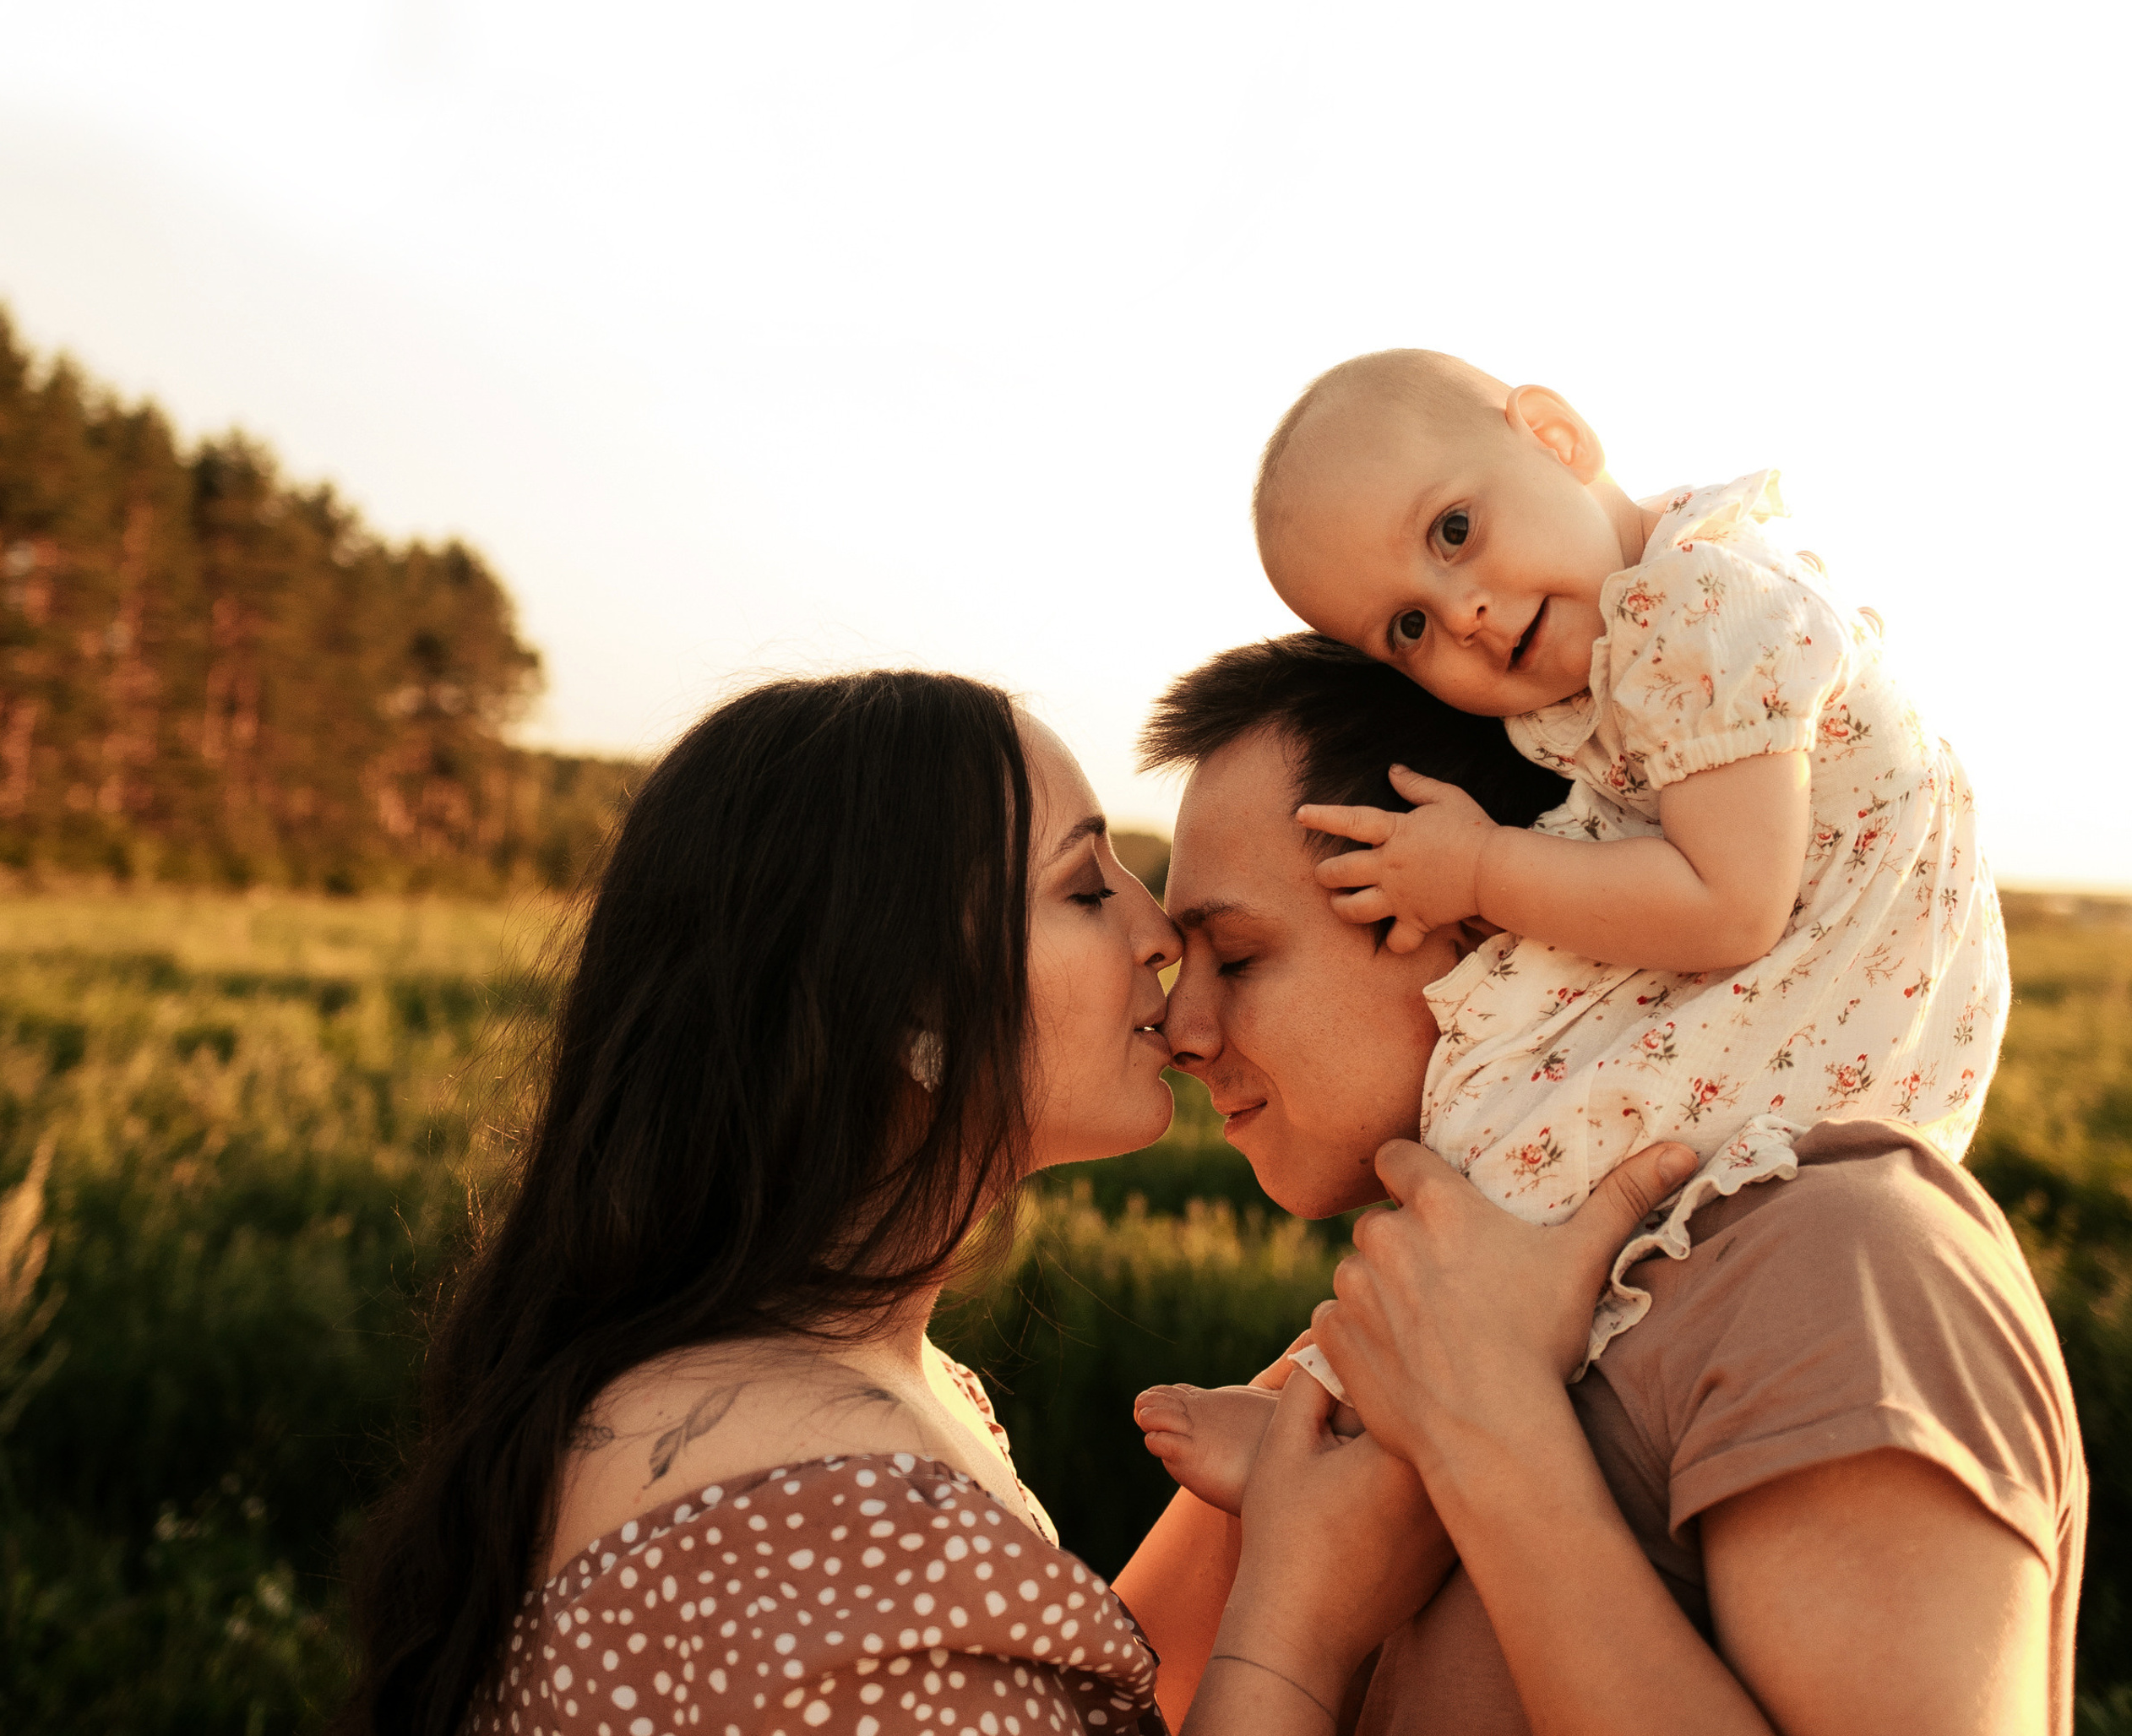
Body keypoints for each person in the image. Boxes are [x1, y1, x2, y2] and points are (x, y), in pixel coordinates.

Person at [335, 669, 1459, 1736]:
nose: (1157, 937)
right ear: (903, 1014)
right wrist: (1300, 1630)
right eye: (1081, 889)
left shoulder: (845, 1396)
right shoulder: (825, 1513)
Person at [1130, 635, 2082, 1735]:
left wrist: (1486, 1435)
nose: (1180, 1029)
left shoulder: (1837, 1268)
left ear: (1506, 921)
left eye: (1237, 957)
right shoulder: (1399, 1338)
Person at [1245, 347, 2010, 1366]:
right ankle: (1337, 1397)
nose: (1462, 612)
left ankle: (1333, 1399)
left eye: (1454, 531)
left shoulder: (1692, 606)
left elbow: (1726, 904)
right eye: (1409, 626)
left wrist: (1478, 869)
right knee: (1519, 1177)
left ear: (1557, 438)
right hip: (1816, 996)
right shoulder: (1652, 617)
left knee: (1517, 1176)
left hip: (1817, 1000)